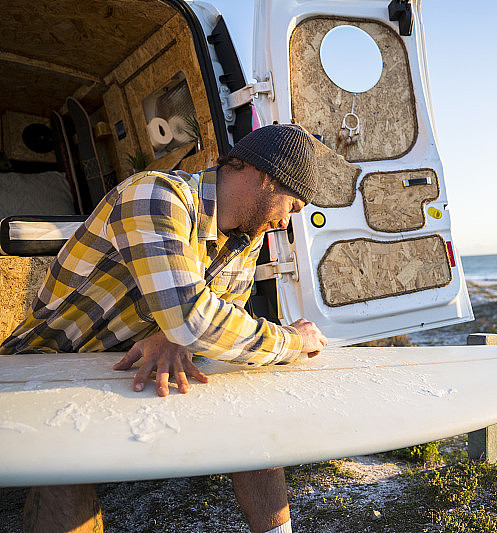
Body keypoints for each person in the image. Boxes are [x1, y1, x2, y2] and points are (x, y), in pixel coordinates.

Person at [0, 124, 328, 533]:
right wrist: (292, 339)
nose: (286, 224)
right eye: (292, 207)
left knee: (249, 414)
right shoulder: (156, 195)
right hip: (50, 365)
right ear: (266, 177)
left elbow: (220, 330)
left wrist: (170, 335)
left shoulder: (247, 238)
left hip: (133, 363)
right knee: (68, 458)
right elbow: (197, 320)